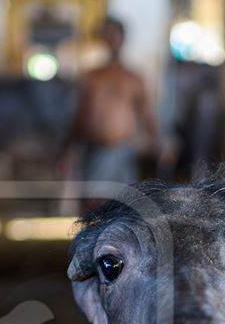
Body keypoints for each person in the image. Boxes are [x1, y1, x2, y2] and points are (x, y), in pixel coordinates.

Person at [67, 17, 163, 197]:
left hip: (123, 152)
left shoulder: (133, 78)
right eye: (107, 35)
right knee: (93, 206)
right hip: (94, 151)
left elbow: (146, 114)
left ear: (123, 39)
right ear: (102, 39)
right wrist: (67, 150)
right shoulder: (91, 76)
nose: (112, 39)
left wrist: (158, 143)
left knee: (123, 206)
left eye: (115, 35)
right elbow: (79, 116)